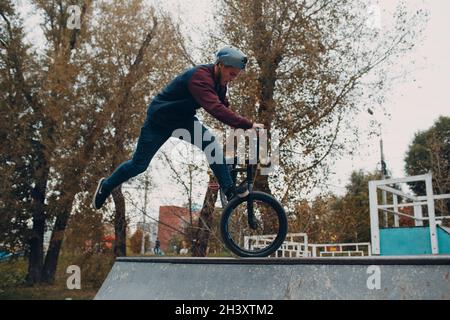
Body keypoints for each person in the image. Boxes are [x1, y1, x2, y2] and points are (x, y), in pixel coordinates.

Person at [92, 45, 264, 210]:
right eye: (231, 74)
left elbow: (223, 106)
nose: (232, 79)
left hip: (183, 120)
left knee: (210, 143)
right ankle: (106, 186)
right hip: (159, 121)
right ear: (219, 65)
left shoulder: (221, 83)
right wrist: (247, 124)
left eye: (235, 76)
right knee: (139, 165)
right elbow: (215, 109)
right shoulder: (200, 78)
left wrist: (241, 127)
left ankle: (229, 190)